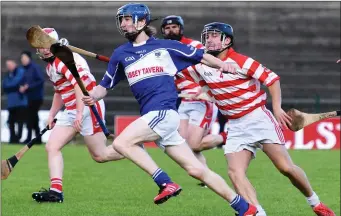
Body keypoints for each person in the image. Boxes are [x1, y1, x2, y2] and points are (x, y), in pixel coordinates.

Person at [82, 3, 257, 215]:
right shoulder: (120, 55)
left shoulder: (166, 47)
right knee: (196, 170)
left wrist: (223, 65)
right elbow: (104, 87)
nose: (124, 24)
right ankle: (244, 208)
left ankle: (165, 182)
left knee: (121, 142)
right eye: (121, 20)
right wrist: (92, 96)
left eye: (128, 19)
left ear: (143, 21)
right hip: (154, 118)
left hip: (163, 112)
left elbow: (201, 56)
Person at [179, 22, 335, 216]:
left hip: (258, 119)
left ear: (227, 40)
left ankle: (315, 203)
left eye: (213, 35)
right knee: (235, 173)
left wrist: (277, 108)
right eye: (206, 36)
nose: (208, 39)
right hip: (235, 125)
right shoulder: (202, 65)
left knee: (285, 168)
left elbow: (272, 79)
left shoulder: (243, 61)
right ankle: (258, 213)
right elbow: (185, 74)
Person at [31, 28, 124, 203]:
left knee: (100, 155)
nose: (42, 49)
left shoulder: (64, 60)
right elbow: (59, 91)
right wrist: (52, 114)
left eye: (44, 44)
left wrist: (80, 113)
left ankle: (132, 147)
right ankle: (55, 192)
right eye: (39, 45)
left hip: (88, 105)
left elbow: (79, 86)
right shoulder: (51, 65)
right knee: (52, 146)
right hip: (72, 109)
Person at [160, 15, 226, 187]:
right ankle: (206, 178)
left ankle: (228, 136)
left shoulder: (195, 46)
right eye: (167, 28)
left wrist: (204, 89)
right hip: (185, 102)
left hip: (203, 100)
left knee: (195, 145)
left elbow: (212, 68)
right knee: (183, 145)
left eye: (174, 27)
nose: (171, 30)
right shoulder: (163, 53)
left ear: (181, 29)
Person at [20, 51, 45, 144]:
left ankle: (29, 138)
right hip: (28, 97)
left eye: (24, 58)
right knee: (34, 118)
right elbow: (22, 81)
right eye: (22, 58)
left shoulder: (34, 68)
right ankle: (38, 138)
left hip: (36, 97)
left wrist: (28, 86)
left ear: (29, 58)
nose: (23, 60)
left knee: (31, 117)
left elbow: (40, 80)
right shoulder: (24, 69)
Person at [2, 59, 28, 143]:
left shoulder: (20, 72)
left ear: (15, 64)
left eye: (10, 64)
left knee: (20, 121)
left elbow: (14, 83)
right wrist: (16, 87)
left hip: (20, 102)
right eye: (7, 65)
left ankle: (18, 137)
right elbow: (5, 86)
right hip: (11, 103)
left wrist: (12, 86)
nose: (9, 67)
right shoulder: (7, 75)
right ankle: (12, 138)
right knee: (11, 121)